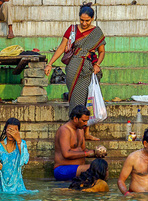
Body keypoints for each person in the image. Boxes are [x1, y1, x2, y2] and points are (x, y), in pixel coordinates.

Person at [44, 2, 105, 141]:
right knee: (76, 100)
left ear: (92, 19)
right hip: (73, 67)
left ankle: (86, 133)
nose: (84, 23)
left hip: (89, 69)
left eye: (87, 21)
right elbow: (61, 47)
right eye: (82, 20)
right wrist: (50, 64)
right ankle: (75, 133)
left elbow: (101, 52)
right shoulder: (71, 30)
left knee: (87, 99)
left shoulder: (97, 32)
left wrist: (98, 65)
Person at [54, 105, 106, 182]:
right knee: (97, 169)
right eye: (83, 121)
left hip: (78, 168)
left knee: (104, 167)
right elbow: (66, 154)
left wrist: (96, 153)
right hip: (62, 169)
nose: (86, 123)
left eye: (87, 121)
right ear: (75, 118)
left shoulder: (80, 130)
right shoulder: (64, 130)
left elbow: (83, 150)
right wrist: (88, 153)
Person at [0, 118, 32, 193]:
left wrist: (18, 141)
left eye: (14, 131)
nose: (11, 134)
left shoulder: (21, 144)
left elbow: (26, 161)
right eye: (9, 130)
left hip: (18, 188)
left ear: (18, 132)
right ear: (5, 130)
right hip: (1, 189)